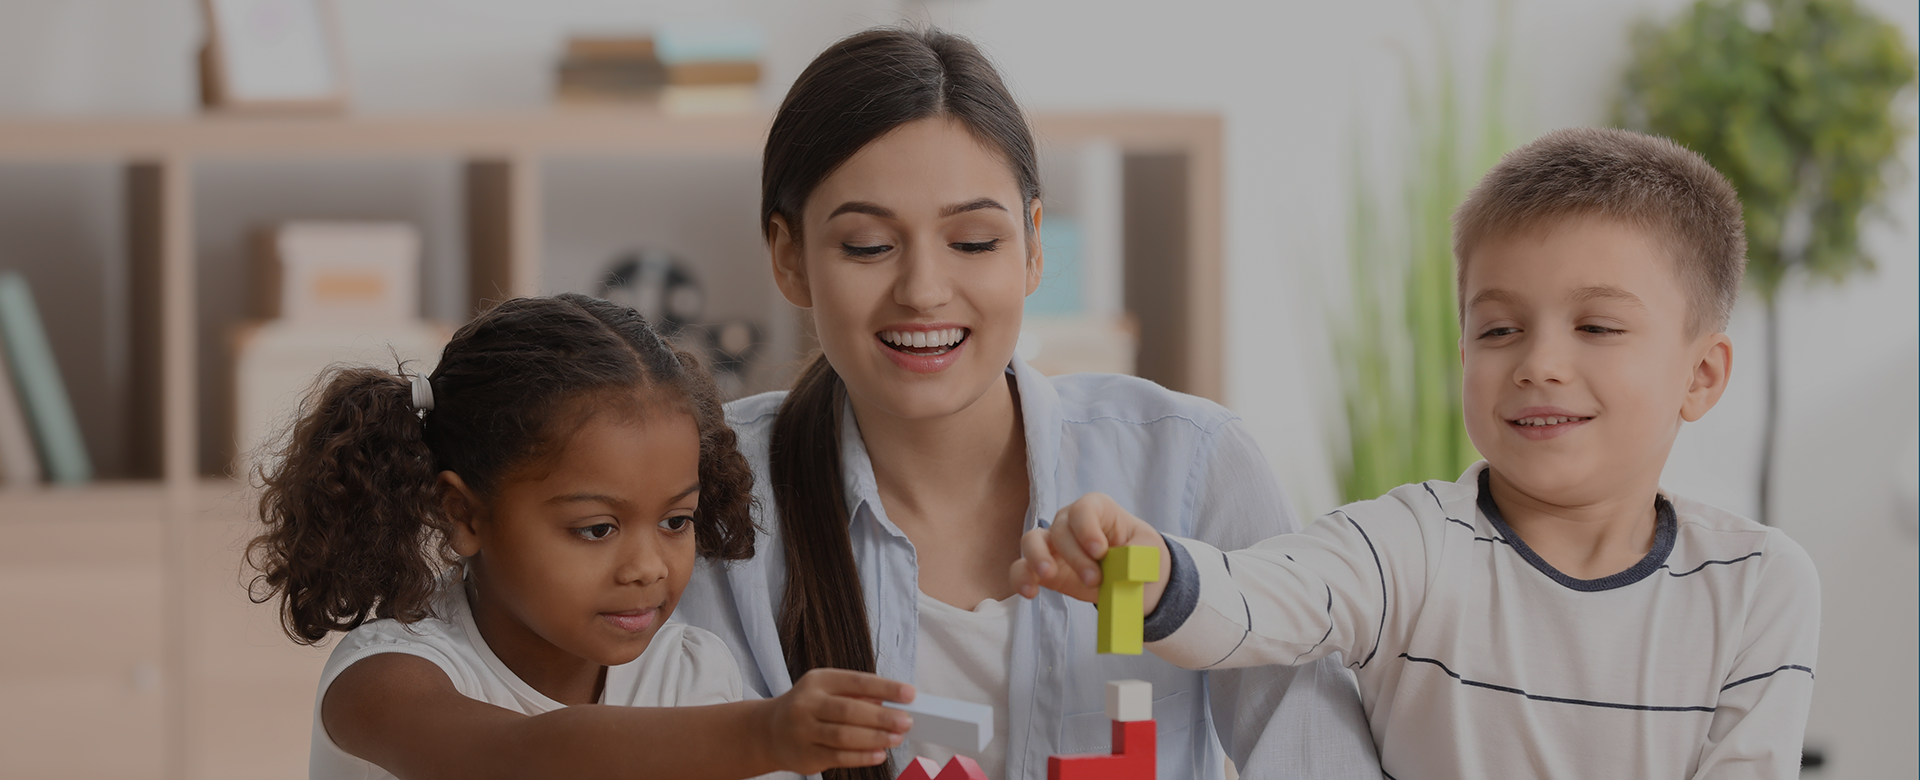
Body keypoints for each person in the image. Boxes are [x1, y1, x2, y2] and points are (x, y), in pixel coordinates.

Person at [673, 27, 1379, 780]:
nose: (923, 291)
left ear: (1035, 245)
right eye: (869, 246)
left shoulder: (1191, 466)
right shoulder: (706, 492)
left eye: (974, 241)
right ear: (789, 257)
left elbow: (1315, 756)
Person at [1014, 127, 1821, 779]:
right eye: (1498, 328)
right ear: (1465, 354)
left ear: (1702, 374)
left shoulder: (1759, 585)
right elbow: (1262, 600)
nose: (1538, 363)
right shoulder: (1411, 543)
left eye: (1597, 327)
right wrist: (1149, 570)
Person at [245, 294, 916, 780]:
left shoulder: (690, 675)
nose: (649, 567)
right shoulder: (387, 679)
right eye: (597, 528)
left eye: (676, 521)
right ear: (465, 515)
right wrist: (763, 732)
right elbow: (523, 757)